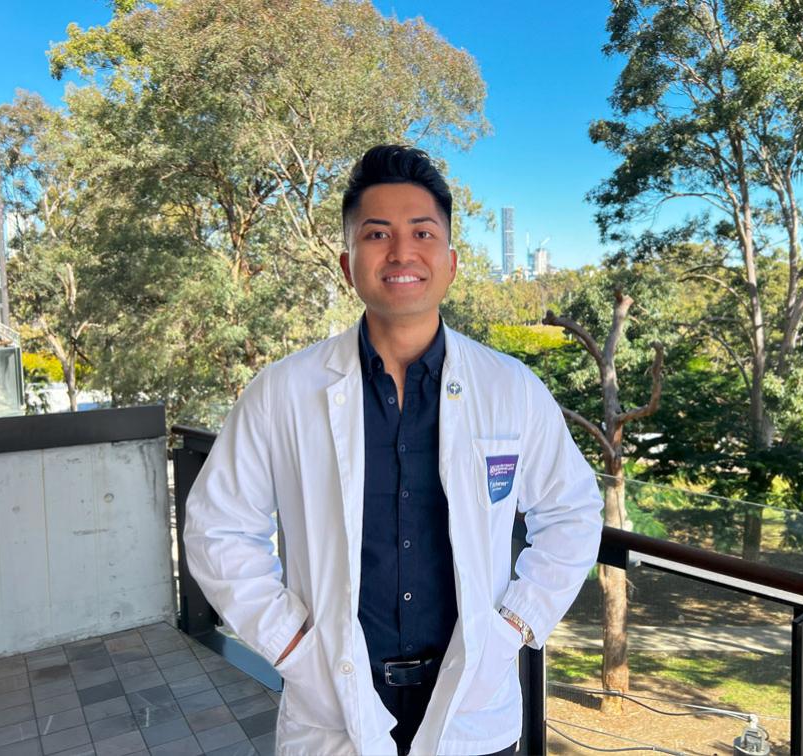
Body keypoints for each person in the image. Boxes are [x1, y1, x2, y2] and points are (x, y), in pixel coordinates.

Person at [184, 144, 603, 756]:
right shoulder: (284, 391)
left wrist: (514, 625)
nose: (402, 252)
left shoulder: (510, 388)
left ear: (452, 261)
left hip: (470, 700)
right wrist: (292, 647)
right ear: (350, 262)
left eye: (422, 232)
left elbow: (572, 511)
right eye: (377, 234)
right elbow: (217, 529)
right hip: (333, 697)